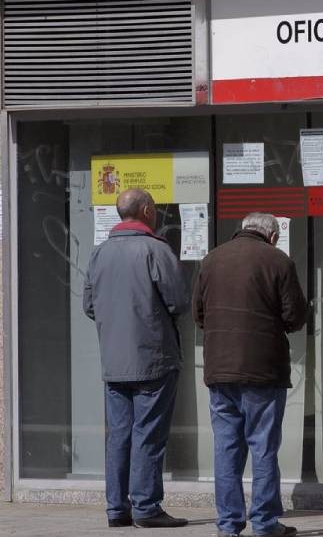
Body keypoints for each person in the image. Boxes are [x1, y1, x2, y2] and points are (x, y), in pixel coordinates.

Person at [193, 213, 308, 537]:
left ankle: (228, 524)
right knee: (263, 447)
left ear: (242, 230)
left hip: (220, 369)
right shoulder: (278, 261)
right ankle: (264, 523)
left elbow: (198, 314)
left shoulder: (211, 260)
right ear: (272, 236)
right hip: (263, 371)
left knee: (226, 449)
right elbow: (295, 316)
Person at [83, 188, 190, 529]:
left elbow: (89, 305)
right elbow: (178, 301)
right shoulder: (155, 249)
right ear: (146, 210)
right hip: (152, 357)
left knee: (119, 435)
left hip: (114, 361)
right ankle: (146, 506)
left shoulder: (99, 253)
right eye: (154, 208)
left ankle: (117, 508)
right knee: (149, 434)